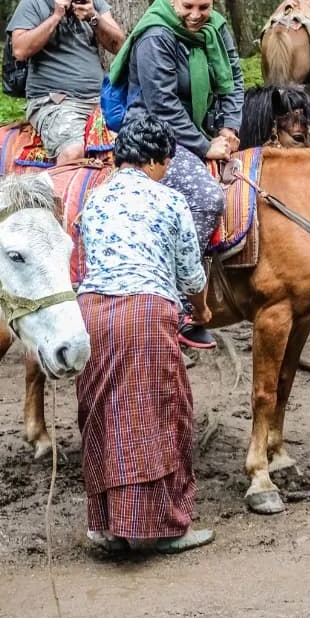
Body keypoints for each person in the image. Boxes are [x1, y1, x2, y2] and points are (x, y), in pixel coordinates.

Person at [74, 112, 213, 555]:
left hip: (91, 311)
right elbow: (191, 274)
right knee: (163, 413)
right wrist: (204, 309)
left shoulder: (93, 200)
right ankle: (167, 527)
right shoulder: (169, 199)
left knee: (103, 414)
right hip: (145, 311)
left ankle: (107, 527)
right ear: (156, 159)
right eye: (166, 162)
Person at [106, 0, 245, 350]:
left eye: (204, 6)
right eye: (189, 7)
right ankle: (180, 302)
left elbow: (234, 82)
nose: (197, 16)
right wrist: (206, 148)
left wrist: (229, 130)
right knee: (206, 198)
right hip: (153, 134)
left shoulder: (216, 28)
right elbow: (163, 104)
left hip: (207, 130)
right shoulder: (155, 35)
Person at [7, 0, 127, 163]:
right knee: (73, 150)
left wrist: (94, 17)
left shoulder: (95, 3)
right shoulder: (34, 2)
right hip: (54, 101)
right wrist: (56, 16)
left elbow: (120, 45)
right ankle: (60, 194)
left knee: (134, 147)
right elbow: (20, 50)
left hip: (98, 100)